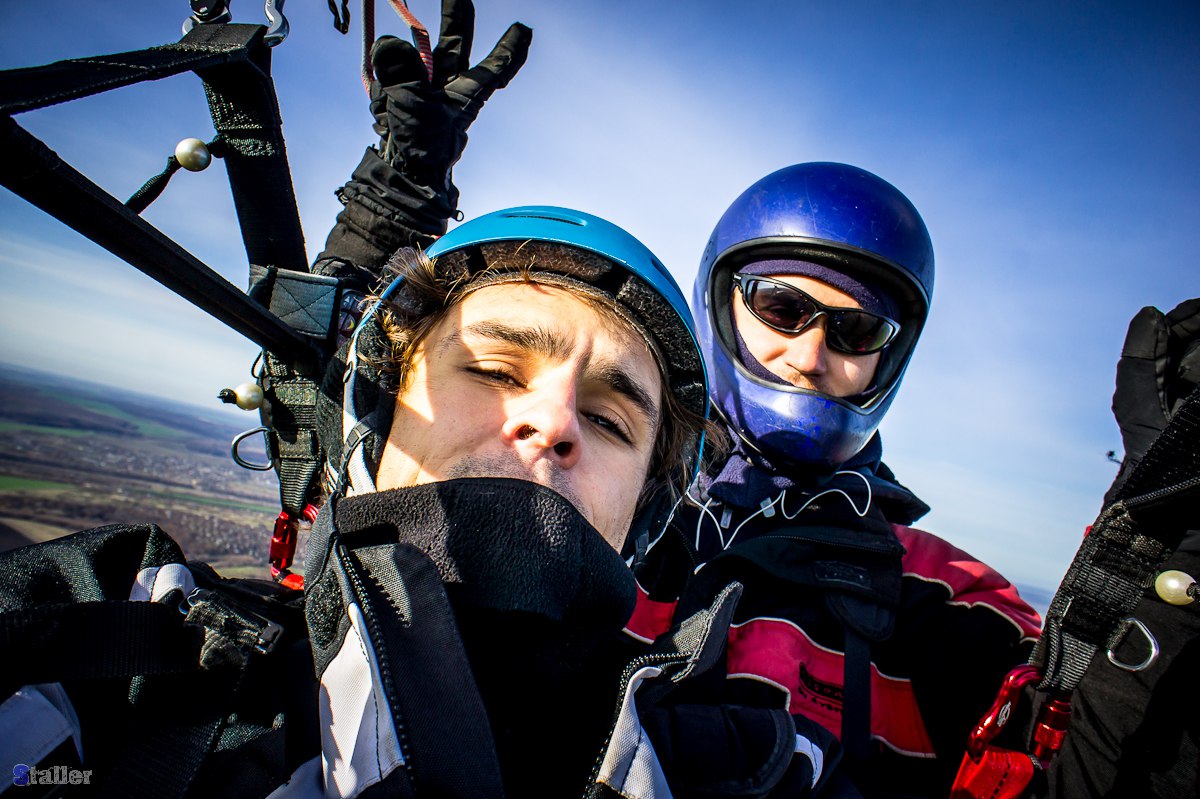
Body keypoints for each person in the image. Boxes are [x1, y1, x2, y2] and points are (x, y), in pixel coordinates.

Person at [621, 163, 1044, 798]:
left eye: (857, 330)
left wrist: (1148, 580)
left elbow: (1066, 753)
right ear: (720, 304)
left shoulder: (938, 595)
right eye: (780, 307)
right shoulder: (599, 488)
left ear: (888, 358)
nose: (810, 356)